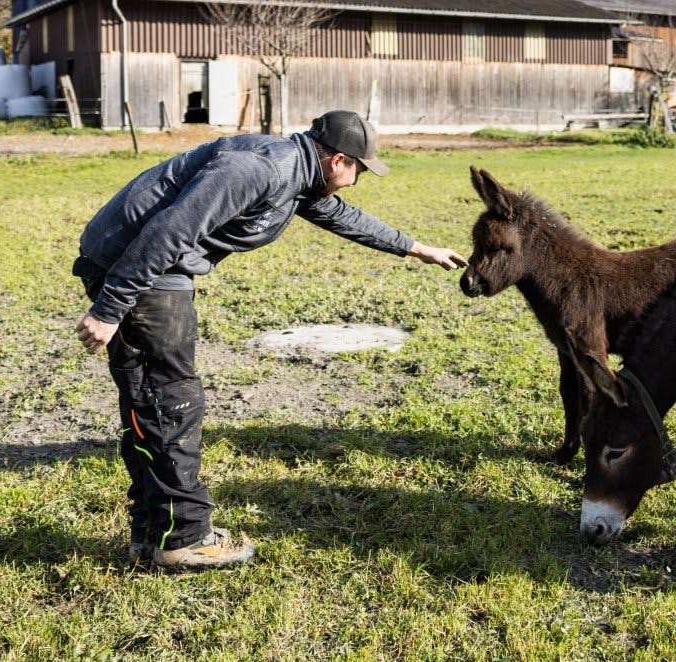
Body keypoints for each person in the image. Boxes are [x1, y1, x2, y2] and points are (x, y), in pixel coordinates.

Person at [73, 109, 465, 572]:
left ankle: (152, 533)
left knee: (149, 401)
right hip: (141, 269)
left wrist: (418, 249)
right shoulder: (260, 169)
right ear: (339, 160)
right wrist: (110, 308)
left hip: (150, 269)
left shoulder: (296, 174)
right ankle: (184, 538)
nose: (358, 179)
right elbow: (171, 230)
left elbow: (340, 216)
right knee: (171, 401)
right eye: (360, 169)